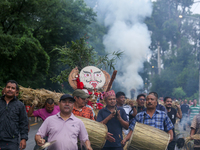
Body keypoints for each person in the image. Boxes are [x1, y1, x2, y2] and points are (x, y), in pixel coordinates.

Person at [0, 80, 28, 150]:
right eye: (8, 87)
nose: (10, 89)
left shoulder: (20, 105)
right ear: (5, 88)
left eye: (13, 88)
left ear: (15, 91)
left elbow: (24, 123)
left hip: (13, 142)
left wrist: (23, 138)